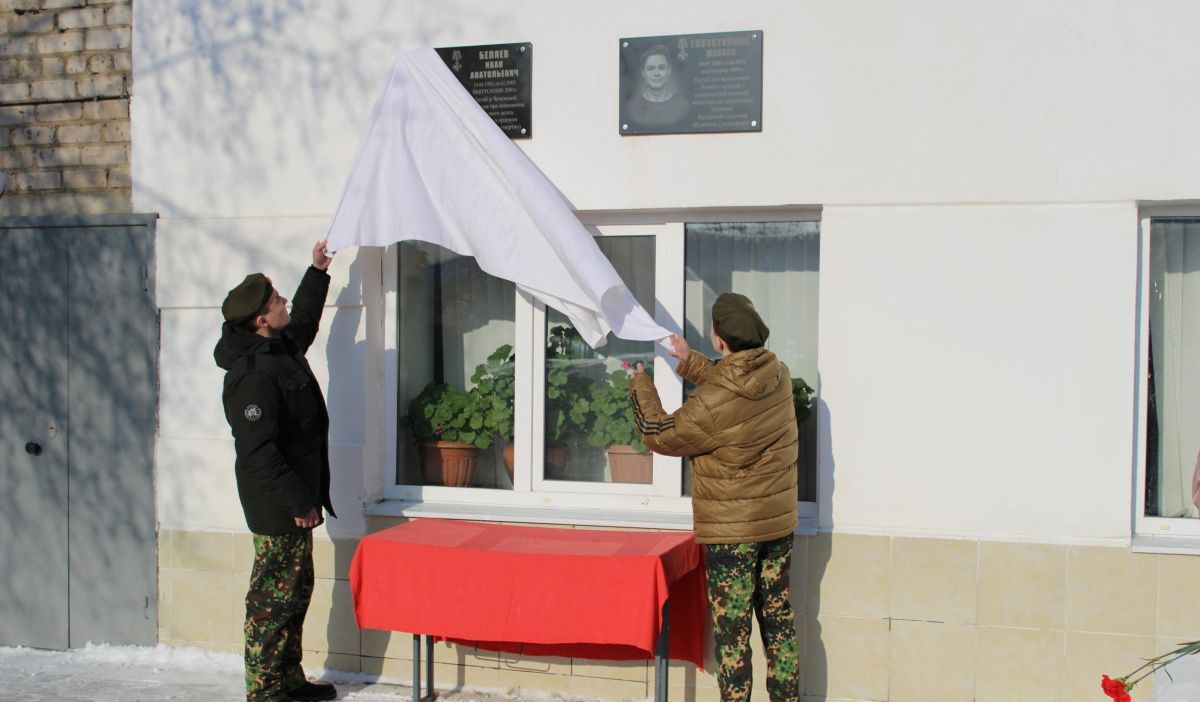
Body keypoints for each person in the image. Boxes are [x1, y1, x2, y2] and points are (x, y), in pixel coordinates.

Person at [629, 293, 799, 702]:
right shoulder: (778, 373)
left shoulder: (714, 402)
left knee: (732, 631)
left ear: (719, 339)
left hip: (733, 534)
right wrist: (689, 360)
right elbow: (733, 389)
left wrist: (640, 385)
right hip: (777, 524)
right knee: (778, 620)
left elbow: (660, 434)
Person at [214, 240, 338, 702]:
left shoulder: (278, 347)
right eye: (276, 300)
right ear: (261, 319)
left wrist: (318, 269)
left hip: (295, 499)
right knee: (271, 603)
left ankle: (288, 683)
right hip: (278, 505)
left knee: (295, 594)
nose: (284, 301)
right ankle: (265, 693)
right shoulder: (251, 374)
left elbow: (303, 320)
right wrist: (300, 503)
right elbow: (258, 453)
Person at [624, 43, 691, 129]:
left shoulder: (683, 106)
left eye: (661, 67)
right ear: (643, 72)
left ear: (669, 70)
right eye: (651, 68)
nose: (656, 73)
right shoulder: (631, 107)